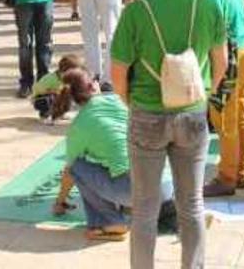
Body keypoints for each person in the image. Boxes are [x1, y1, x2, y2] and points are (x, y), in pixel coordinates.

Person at [110, 0, 227, 269]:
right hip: (192, 112)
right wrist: (203, 96)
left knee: (145, 210)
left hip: (147, 113)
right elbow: (221, 64)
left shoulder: (136, 11)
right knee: (191, 206)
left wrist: (131, 102)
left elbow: (117, 74)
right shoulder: (204, 3)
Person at [170, 0, 244, 197]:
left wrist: (213, 85)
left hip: (235, 57)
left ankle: (227, 177)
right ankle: (242, 173)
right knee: (241, 114)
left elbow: (216, 41)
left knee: (224, 118)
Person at [51, 67, 174, 241]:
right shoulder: (121, 99)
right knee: (121, 161)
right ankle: (147, 208)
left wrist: (59, 202)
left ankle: (110, 221)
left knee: (77, 166)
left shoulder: (79, 125)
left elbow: (69, 171)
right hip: (167, 182)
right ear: (94, 85)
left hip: (137, 191)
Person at [32, 54, 84, 123]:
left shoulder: (67, 79)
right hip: (41, 99)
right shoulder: (50, 79)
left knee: (67, 95)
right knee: (50, 98)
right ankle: (45, 115)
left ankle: (61, 113)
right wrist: (52, 91)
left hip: (56, 96)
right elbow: (37, 89)